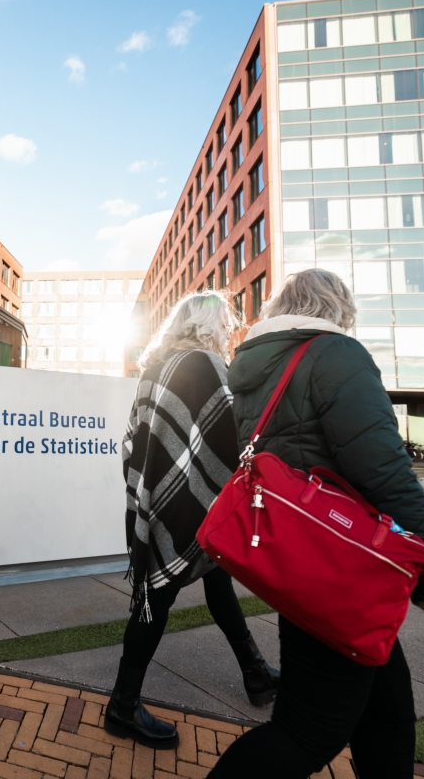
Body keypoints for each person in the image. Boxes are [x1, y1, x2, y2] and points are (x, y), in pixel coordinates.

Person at [208, 269, 424, 779]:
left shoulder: (260, 365)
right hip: (340, 565)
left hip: (305, 553)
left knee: (387, 711)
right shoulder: (335, 355)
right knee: (306, 731)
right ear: (339, 307)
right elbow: (384, 471)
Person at [111, 291, 280, 749]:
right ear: (210, 324)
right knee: (157, 596)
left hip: (163, 497)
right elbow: (236, 431)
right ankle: (122, 706)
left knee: (217, 577)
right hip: (188, 503)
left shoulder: (157, 367)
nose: (230, 329)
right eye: (226, 321)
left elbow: (134, 441)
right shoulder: (206, 365)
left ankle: (256, 673)